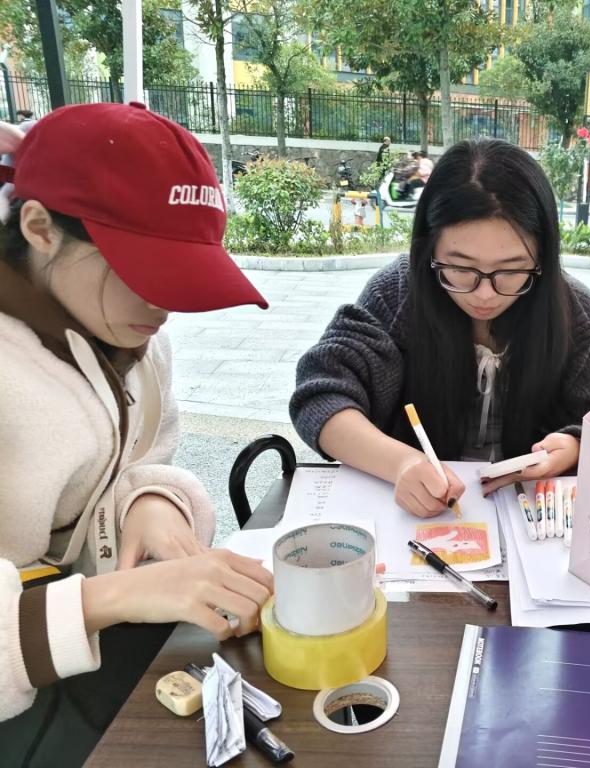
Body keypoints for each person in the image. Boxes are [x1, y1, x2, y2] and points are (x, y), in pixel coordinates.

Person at [0, 104, 274, 763]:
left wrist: (149, 499)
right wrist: (115, 595)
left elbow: (136, 460)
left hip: (86, 666)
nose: (163, 305)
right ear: (39, 228)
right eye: (141, 271)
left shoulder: (132, 341)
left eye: (180, 274)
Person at [290, 139, 590, 517]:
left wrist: (574, 446)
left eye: (511, 270)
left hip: (532, 519)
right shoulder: (398, 294)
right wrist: (402, 463)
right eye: (460, 268)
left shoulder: (573, 310)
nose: (484, 295)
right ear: (429, 249)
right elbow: (320, 397)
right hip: (415, 519)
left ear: (542, 256)